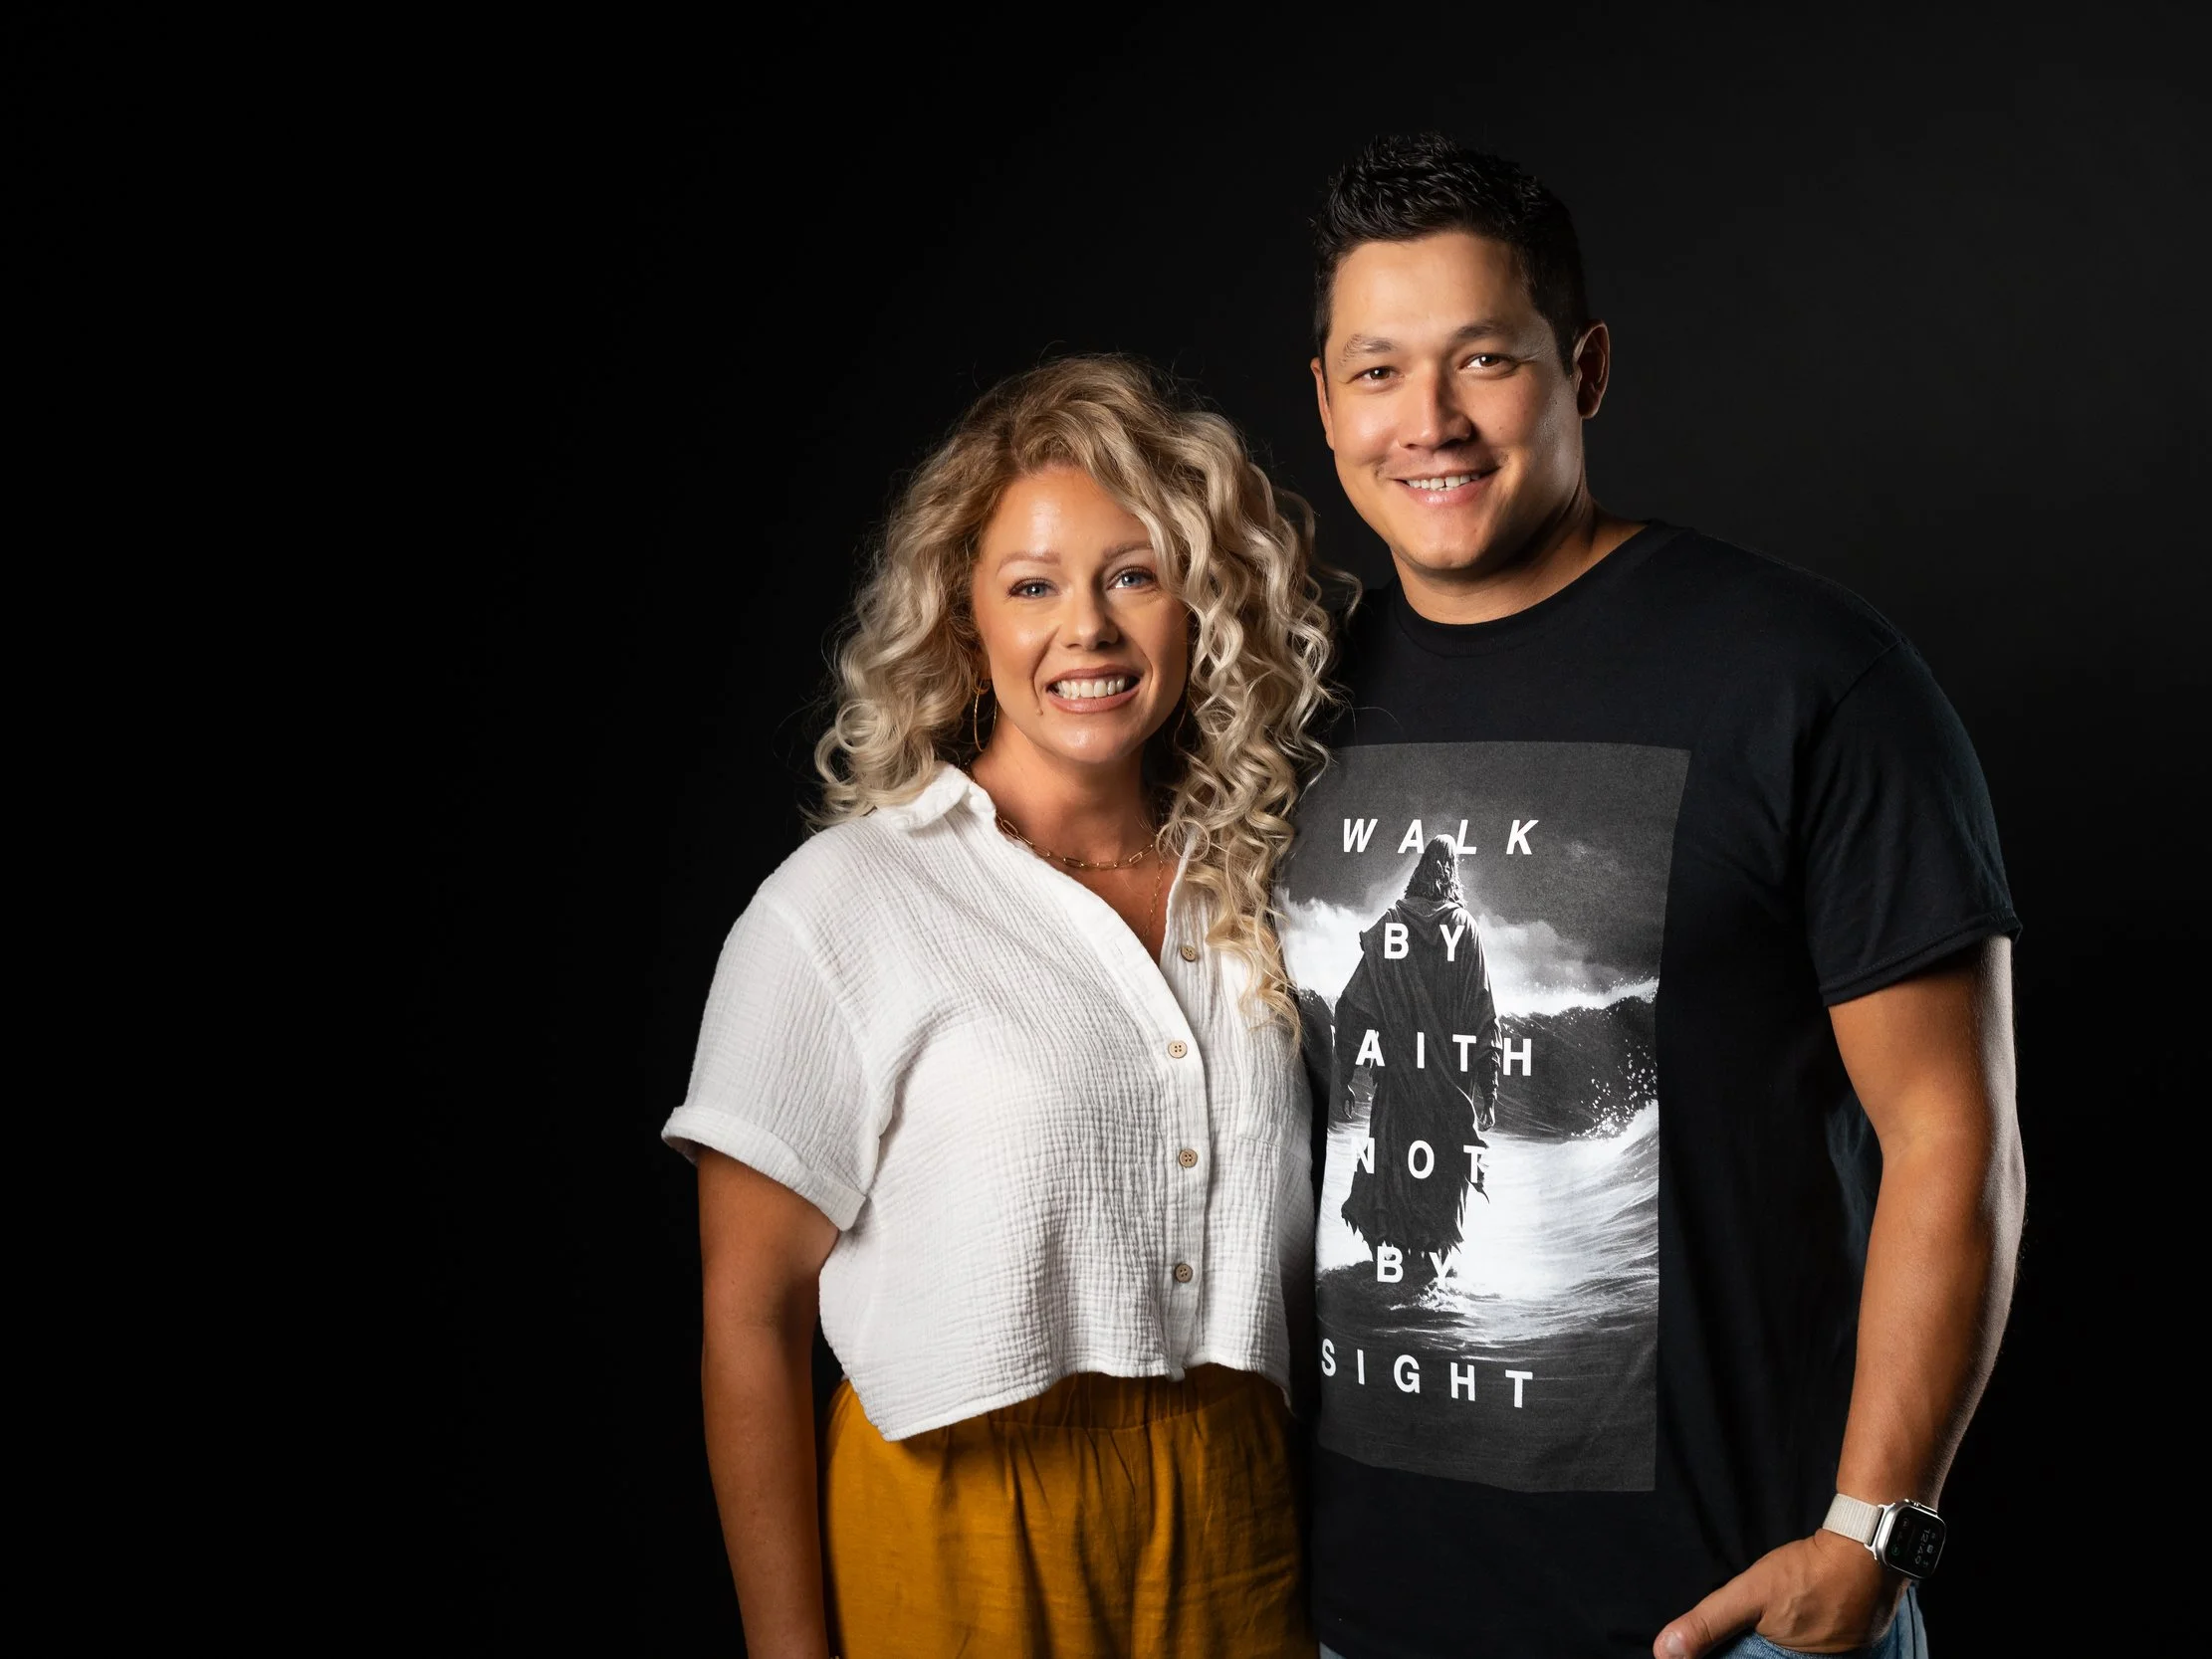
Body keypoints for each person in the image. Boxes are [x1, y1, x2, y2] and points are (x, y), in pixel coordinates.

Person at [1277, 134, 2025, 1659]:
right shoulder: (1285, 700)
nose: (1429, 422)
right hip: (1359, 1619)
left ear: (1587, 368)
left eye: (1485, 358)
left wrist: (1875, 1536)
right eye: (1379, 372)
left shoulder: (1805, 674)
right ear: (1325, 400)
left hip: (1733, 1623)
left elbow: (1955, 1133)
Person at [663, 354, 1341, 1658]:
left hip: (1239, 1512)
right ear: (967, 623)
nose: (1084, 628)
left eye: (1132, 574)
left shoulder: (1265, 888)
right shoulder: (845, 902)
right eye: (1032, 585)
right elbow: (748, 1319)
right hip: (959, 1515)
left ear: (1198, 606)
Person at [1331, 834, 1498, 1292]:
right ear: (1452, 873)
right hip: (1448, 1090)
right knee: (1440, 1180)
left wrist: (1344, 1077)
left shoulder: (1389, 927)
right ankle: (1431, 1290)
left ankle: (1392, 1287)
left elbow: (1351, 1008)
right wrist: (1489, 1087)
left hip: (1398, 1090)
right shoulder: (1466, 930)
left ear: (1420, 869)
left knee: (1395, 1176)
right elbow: (1484, 1016)